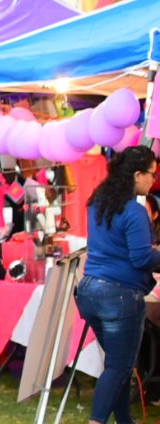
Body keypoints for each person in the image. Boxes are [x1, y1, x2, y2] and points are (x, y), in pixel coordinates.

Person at [76, 145, 160, 424]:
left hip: (89, 291)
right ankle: (96, 421)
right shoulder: (134, 211)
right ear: (137, 175)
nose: (153, 180)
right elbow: (141, 258)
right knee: (119, 365)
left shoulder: (99, 201)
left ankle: (125, 421)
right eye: (151, 174)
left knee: (120, 364)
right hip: (119, 296)